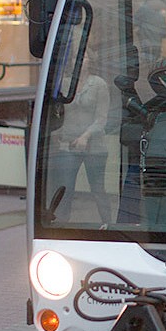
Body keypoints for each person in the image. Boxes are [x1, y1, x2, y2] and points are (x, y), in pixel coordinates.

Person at [50, 47, 113, 224]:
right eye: (75, 57)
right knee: (65, 188)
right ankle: (61, 225)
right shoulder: (64, 83)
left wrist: (85, 136)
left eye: (83, 57)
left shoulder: (99, 84)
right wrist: (56, 133)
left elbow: (102, 119)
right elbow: (57, 113)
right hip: (69, 145)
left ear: (90, 61)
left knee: (97, 188)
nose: (79, 60)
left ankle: (109, 225)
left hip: (94, 147)